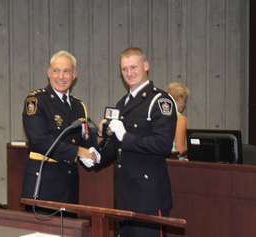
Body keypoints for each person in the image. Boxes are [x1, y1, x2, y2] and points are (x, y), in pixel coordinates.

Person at [97, 47, 177, 237]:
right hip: (125, 194)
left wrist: (126, 136)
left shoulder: (159, 101)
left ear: (146, 66)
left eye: (134, 67)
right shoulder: (122, 103)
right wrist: (97, 153)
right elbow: (117, 147)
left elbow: (163, 145)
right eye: (124, 69)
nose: (129, 73)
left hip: (148, 197)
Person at [21, 50, 98, 207]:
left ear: (74, 74)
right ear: (49, 72)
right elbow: (39, 140)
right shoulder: (36, 100)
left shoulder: (79, 106)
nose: (61, 77)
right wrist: (77, 152)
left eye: (66, 71)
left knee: (69, 230)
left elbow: (84, 139)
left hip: (69, 184)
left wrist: (100, 139)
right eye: (56, 71)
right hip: (43, 184)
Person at [166, 82, 190, 157]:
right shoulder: (179, 118)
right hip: (172, 163)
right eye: (185, 101)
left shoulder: (159, 115)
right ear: (180, 98)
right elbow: (180, 149)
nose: (184, 105)